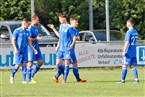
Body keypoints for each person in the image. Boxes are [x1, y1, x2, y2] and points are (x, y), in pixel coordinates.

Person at [48, 14, 86, 83]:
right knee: (58, 64)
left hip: (67, 49)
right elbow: (60, 36)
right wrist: (57, 46)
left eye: (60, 19)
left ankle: (64, 80)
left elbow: (74, 37)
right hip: (61, 49)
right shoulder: (61, 26)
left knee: (67, 64)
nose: (59, 20)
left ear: (64, 18)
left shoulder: (69, 27)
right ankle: (57, 76)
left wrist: (72, 44)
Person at [10, 18, 37, 84]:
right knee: (17, 65)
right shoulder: (17, 31)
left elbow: (29, 42)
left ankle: (24, 80)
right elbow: (13, 40)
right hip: (18, 51)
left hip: (25, 51)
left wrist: (34, 49)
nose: (28, 26)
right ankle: (12, 76)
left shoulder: (27, 32)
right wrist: (15, 49)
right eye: (28, 24)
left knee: (24, 64)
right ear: (25, 23)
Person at [119, 19, 139, 84]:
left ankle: (122, 80)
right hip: (133, 51)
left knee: (124, 65)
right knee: (132, 66)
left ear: (129, 24)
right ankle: (136, 79)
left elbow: (127, 42)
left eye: (127, 23)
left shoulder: (129, 32)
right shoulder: (135, 31)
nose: (126, 24)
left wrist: (124, 50)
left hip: (128, 51)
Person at [27, 15, 43, 83]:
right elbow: (29, 39)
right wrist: (37, 38)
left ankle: (32, 76)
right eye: (37, 20)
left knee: (40, 62)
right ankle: (29, 79)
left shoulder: (36, 27)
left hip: (37, 47)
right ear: (33, 20)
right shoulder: (30, 28)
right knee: (30, 63)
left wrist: (37, 37)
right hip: (31, 48)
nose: (38, 21)